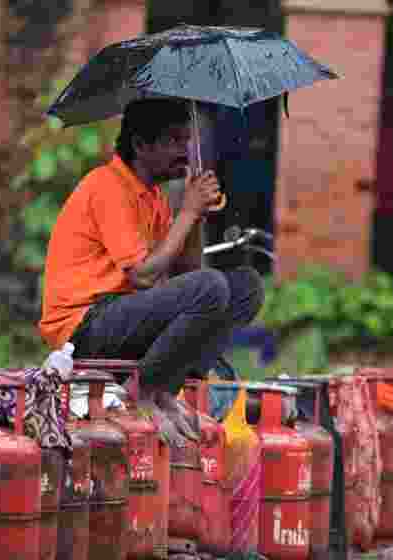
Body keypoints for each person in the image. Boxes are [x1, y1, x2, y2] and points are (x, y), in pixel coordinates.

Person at [39, 98, 264, 442]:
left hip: (125, 319)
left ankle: (167, 388)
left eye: (186, 141)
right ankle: (143, 391)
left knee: (245, 286)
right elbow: (143, 276)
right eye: (174, 141)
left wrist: (197, 214)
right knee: (211, 286)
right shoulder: (107, 186)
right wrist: (187, 212)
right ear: (141, 145)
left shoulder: (154, 197)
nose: (185, 152)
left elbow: (188, 273)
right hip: (85, 327)